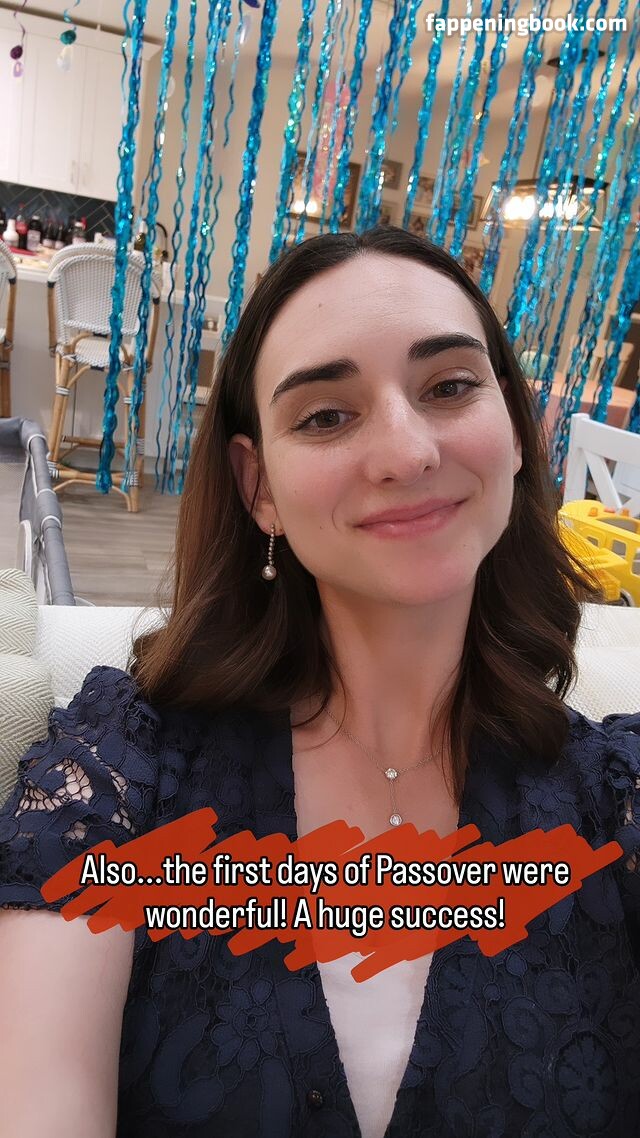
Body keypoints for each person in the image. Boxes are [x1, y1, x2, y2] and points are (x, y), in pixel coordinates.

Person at [1, 226, 639, 1138]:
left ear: (515, 428)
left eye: (449, 386)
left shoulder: (613, 799)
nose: (407, 452)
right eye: (326, 416)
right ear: (258, 485)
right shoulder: (117, 779)